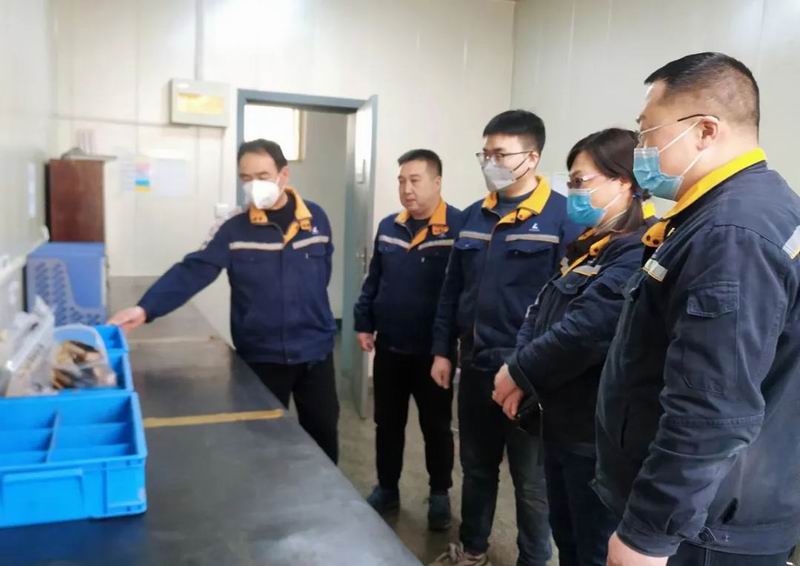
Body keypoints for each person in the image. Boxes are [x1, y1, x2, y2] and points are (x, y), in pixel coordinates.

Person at [594, 52, 800, 566]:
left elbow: (712, 407)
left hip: (703, 527)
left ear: (705, 130)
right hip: (710, 509)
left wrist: (647, 534)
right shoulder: (739, 210)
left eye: (647, 133)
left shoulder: (732, 234)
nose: (640, 149)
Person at [108, 139, 340, 463]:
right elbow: (195, 269)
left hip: (315, 354)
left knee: (323, 435)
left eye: (262, 176)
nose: (254, 185)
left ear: (284, 175)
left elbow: (322, 274)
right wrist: (146, 308)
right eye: (246, 178)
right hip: (261, 357)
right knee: (263, 447)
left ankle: (327, 496)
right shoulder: (234, 227)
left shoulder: (316, 218)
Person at [491, 128, 654, 566]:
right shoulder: (590, 247)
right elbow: (540, 309)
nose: (573, 192)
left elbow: (585, 331)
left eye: (581, 181)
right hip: (560, 422)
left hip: (595, 437)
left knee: (591, 548)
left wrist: (518, 372)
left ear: (623, 182)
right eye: (571, 181)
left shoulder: (638, 251)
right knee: (567, 537)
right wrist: (522, 368)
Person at [430, 110, 583, 566]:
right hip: (476, 366)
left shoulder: (562, 219)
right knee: (476, 468)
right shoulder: (473, 216)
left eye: (500, 154)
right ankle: (473, 548)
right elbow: (451, 291)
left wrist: (537, 370)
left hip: (528, 376)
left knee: (532, 482)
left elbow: (569, 306)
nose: (490, 163)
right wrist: (442, 351)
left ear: (531, 157)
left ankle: (533, 559)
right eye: (485, 154)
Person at [353, 149, 463, 531]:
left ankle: (439, 494)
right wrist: (363, 321)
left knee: (436, 426)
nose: (406, 189)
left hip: (434, 354)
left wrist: (446, 348)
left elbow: (461, 292)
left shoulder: (458, 227)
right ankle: (387, 488)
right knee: (387, 424)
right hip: (390, 347)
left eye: (415, 180)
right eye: (401, 181)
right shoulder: (390, 226)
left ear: (437, 182)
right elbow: (374, 279)